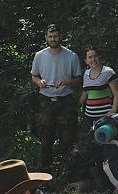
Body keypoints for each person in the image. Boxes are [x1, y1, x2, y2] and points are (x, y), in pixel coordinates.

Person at [30, 24, 83, 175]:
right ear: (46, 38)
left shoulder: (71, 56)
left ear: (61, 36)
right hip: (45, 100)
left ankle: (68, 175)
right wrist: (39, 82)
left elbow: (78, 79)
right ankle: (45, 176)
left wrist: (67, 81)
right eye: (50, 37)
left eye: (56, 36)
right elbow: (34, 76)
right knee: (46, 140)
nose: (53, 39)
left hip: (65, 100)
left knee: (68, 140)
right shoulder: (40, 55)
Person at [79, 47, 118, 131]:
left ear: (99, 57)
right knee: (90, 142)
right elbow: (85, 92)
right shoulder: (86, 74)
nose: (93, 59)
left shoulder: (108, 72)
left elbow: (116, 93)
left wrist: (114, 109)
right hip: (89, 117)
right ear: (86, 61)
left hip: (106, 116)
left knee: (108, 142)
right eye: (90, 57)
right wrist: (77, 105)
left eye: (95, 56)